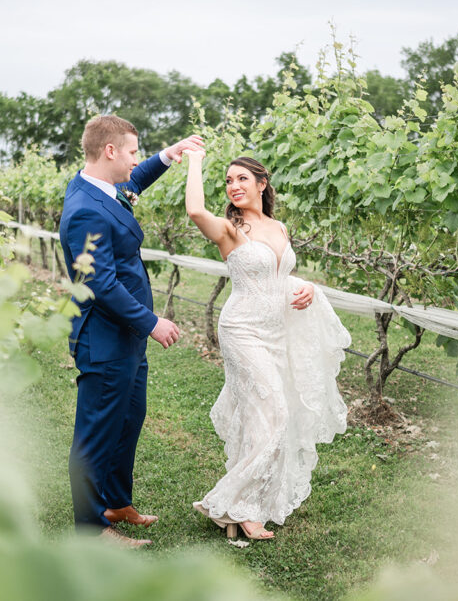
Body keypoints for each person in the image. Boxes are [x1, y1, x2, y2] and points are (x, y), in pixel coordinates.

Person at [184, 153, 350, 540]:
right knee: (273, 409)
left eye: (242, 178)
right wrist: (194, 160)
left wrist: (307, 286)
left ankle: (246, 506)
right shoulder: (229, 229)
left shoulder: (279, 227)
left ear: (262, 183)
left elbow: (279, 275)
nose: (233, 186)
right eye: (228, 181)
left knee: (266, 417)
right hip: (242, 330)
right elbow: (194, 210)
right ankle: (234, 506)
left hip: (276, 333)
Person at [59, 115, 204, 548]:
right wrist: (152, 322)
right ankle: (89, 528)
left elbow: (132, 183)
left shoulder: (98, 187)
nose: (135, 160)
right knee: (97, 430)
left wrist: (166, 155)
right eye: (133, 151)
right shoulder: (84, 209)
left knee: (128, 419)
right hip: (104, 337)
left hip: (125, 336)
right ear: (110, 151)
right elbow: (99, 282)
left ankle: (117, 502)